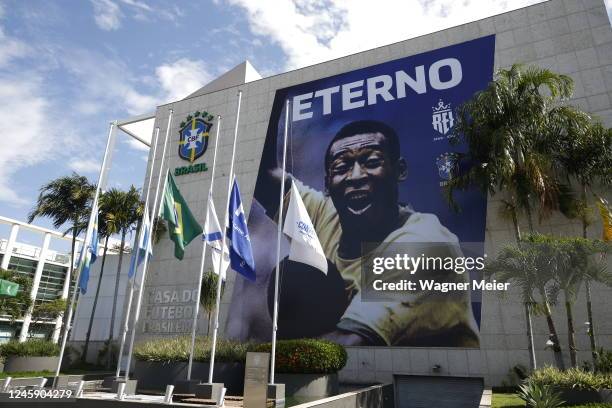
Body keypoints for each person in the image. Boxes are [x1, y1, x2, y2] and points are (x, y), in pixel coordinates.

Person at [255, 119, 479, 347]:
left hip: (428, 378)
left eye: (371, 162)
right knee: (294, 274)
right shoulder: (326, 216)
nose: (356, 176)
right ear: (327, 185)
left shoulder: (425, 243)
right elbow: (263, 178)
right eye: (341, 168)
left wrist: (265, 360)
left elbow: (347, 343)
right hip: (351, 372)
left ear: (399, 170)